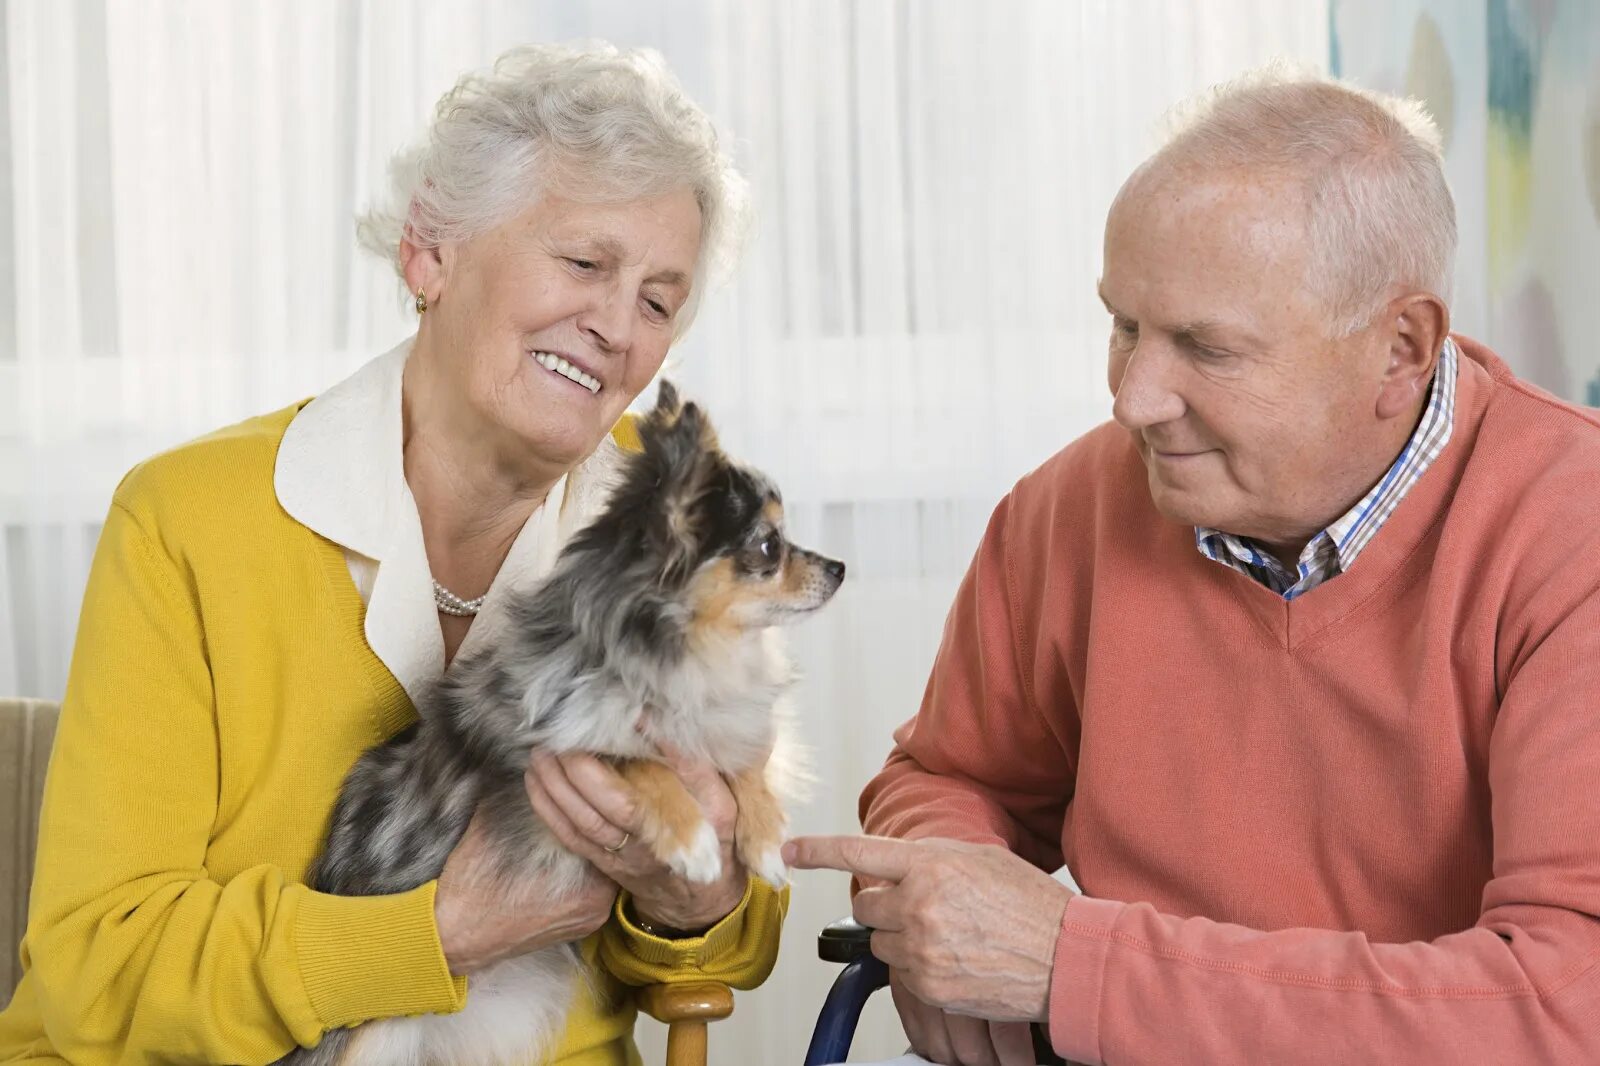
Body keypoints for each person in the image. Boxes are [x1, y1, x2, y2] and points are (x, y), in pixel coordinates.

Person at [789, 68, 1600, 1065]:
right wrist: (940, 907)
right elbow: (952, 774)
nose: (1134, 398)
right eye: (1122, 325)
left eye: (1204, 349)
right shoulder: (1071, 506)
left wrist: (1072, 965)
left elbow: (1563, 1003)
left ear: (1400, 350)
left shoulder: (1574, 534)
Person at [0, 42, 784, 1064]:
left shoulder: (675, 526)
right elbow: (96, 968)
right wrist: (439, 931)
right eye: (584, 263)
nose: (612, 327)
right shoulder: (185, 520)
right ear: (429, 251)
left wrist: (696, 892)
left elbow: (718, 943)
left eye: (656, 301)